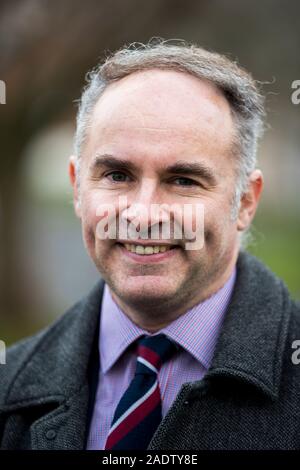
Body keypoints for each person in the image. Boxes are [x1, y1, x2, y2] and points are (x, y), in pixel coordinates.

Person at [1, 39, 299, 451]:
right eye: (117, 175)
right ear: (76, 187)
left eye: (183, 180)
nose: (143, 215)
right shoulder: (8, 386)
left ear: (245, 202)